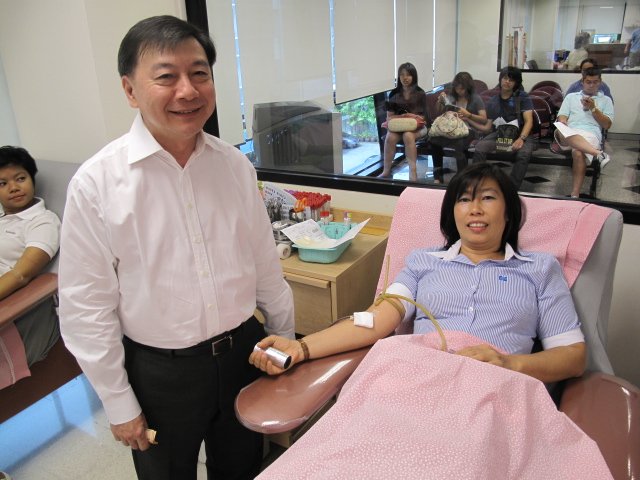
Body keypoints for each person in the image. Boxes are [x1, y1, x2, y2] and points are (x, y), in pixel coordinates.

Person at [58, 16, 295, 480]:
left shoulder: (234, 165)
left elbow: (265, 264)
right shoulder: (97, 183)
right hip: (159, 374)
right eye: (166, 76)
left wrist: (284, 341)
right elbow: (86, 307)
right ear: (130, 90)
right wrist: (119, 403)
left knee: (243, 467)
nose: (188, 91)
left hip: (244, 354)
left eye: (199, 73)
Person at [251, 162, 586, 385]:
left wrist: (509, 364)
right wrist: (301, 347)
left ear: (509, 212)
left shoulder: (539, 269)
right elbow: (374, 320)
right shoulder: (423, 262)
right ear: (452, 213)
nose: (475, 209)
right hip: (420, 381)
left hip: (497, 390)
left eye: (487, 198)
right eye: (464, 200)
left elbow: (572, 357)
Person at [0, 146, 60, 367]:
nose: (14, 188)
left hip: (13, 316)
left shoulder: (42, 222)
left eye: (20, 178)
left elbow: (21, 275)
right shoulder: (4, 220)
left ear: (32, 179)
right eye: (2, 183)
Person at [554, 67, 614, 198]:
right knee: (559, 129)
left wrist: (593, 108)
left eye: (595, 82)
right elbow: (562, 116)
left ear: (600, 82)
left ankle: (575, 194)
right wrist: (563, 121)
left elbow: (607, 125)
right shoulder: (571, 97)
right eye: (588, 82)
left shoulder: (606, 100)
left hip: (590, 134)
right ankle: (598, 154)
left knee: (578, 152)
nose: (592, 85)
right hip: (569, 132)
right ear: (582, 82)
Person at [472, 66, 535, 190]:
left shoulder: (522, 97)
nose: (507, 82)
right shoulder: (493, 100)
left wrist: (521, 139)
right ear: (500, 79)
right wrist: (469, 119)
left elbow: (529, 121)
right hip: (501, 134)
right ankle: (478, 183)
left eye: (511, 80)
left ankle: (512, 188)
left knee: (523, 154)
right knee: (480, 147)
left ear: (516, 83)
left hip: (521, 134)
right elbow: (487, 127)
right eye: (505, 78)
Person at [430, 72, 487, 183]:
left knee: (458, 143)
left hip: (469, 129)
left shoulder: (475, 98)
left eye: (462, 89)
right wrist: (440, 101)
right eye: (457, 88)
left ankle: (462, 176)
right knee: (433, 140)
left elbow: (484, 119)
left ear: (468, 87)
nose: (459, 91)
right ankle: (438, 175)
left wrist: (468, 115)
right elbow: (438, 111)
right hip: (451, 128)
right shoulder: (452, 96)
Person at [378, 62, 428, 182]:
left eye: (408, 75)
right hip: (399, 127)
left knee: (408, 135)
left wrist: (411, 117)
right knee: (390, 137)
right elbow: (389, 117)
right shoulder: (394, 94)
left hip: (419, 127)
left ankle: (413, 172)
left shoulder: (420, 93)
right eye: (402, 75)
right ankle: (386, 170)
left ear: (413, 76)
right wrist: (404, 117)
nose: (405, 78)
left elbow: (424, 118)